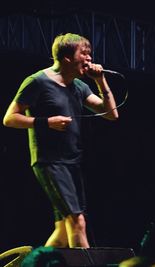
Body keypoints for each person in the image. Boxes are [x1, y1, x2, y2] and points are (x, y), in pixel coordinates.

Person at [3, 33, 119, 248]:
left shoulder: (79, 87)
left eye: (89, 54)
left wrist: (100, 80)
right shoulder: (38, 82)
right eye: (83, 54)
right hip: (50, 162)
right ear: (66, 58)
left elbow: (111, 114)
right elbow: (10, 118)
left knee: (63, 233)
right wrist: (46, 122)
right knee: (77, 223)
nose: (89, 59)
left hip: (72, 162)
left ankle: (33, 264)